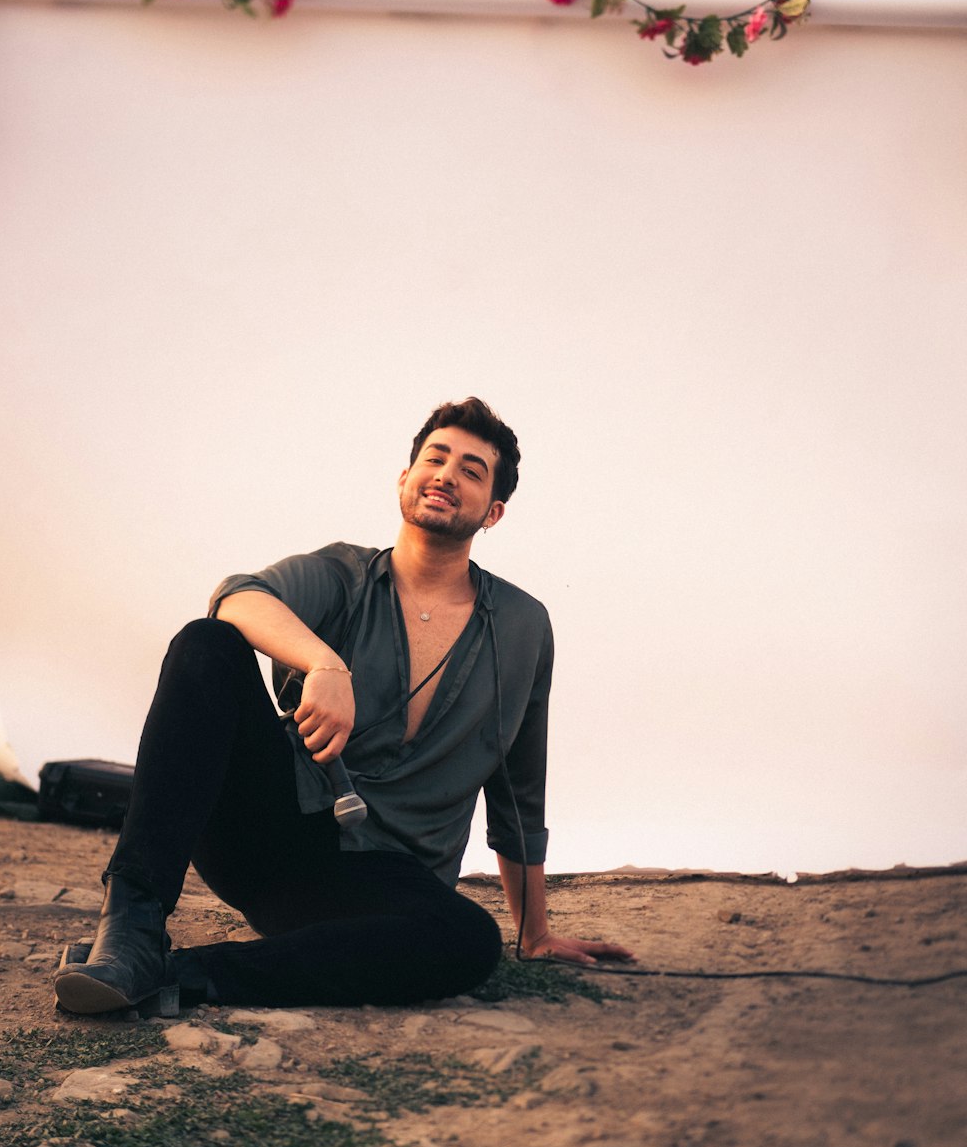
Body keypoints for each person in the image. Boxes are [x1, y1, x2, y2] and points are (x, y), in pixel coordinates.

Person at [53, 397, 634, 1016]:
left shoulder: (522, 626)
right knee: (207, 644)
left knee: (468, 942)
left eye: (470, 469)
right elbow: (235, 598)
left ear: (492, 511)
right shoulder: (343, 574)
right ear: (405, 480)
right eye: (434, 458)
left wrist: (535, 932)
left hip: (382, 882)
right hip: (269, 836)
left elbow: (520, 787)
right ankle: (132, 926)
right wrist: (324, 663)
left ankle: (175, 976)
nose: (445, 474)